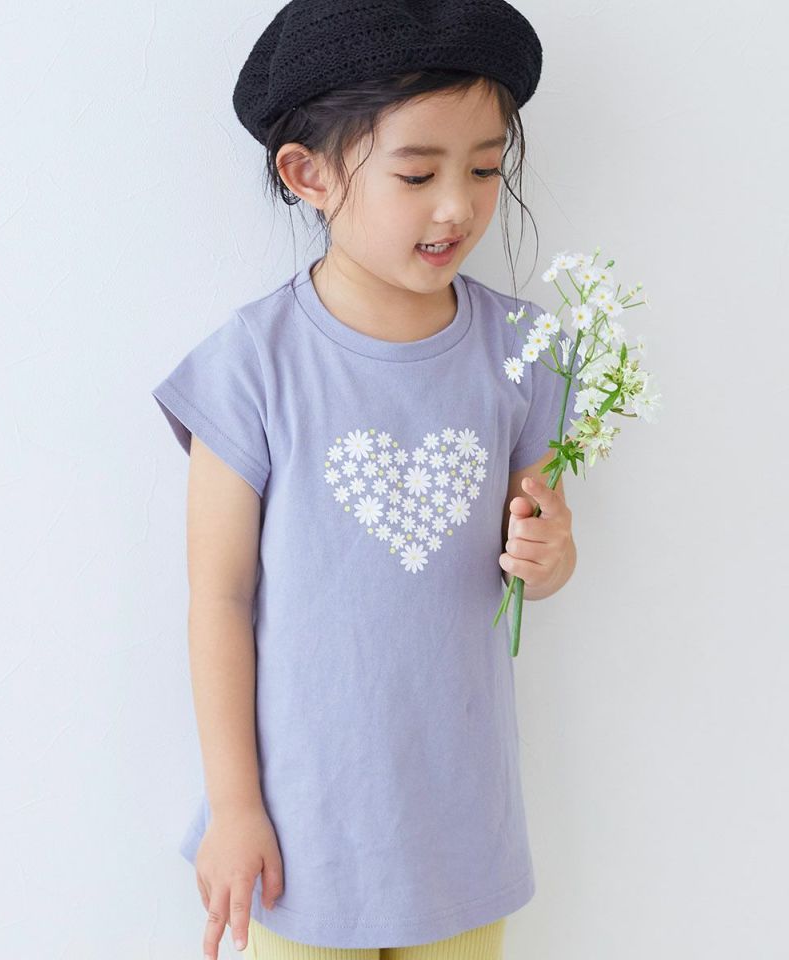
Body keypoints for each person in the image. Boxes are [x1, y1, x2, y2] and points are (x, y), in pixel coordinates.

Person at [150, 1, 580, 958]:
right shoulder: (252, 366)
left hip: (461, 832)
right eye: (417, 173)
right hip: (301, 836)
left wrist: (551, 557)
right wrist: (234, 807)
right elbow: (219, 598)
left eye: (484, 168)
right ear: (308, 174)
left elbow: (535, 561)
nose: (458, 206)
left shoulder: (523, 351)